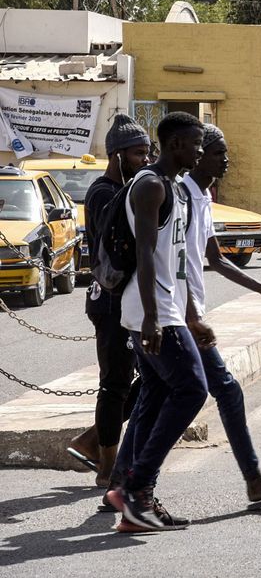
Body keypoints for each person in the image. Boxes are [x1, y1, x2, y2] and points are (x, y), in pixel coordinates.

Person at [179, 125, 261, 509]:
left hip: (183, 312)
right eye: (217, 152)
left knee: (156, 395)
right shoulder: (180, 196)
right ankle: (254, 481)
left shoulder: (202, 195)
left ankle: (120, 479)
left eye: (225, 151)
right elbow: (170, 262)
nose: (225, 159)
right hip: (176, 314)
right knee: (220, 392)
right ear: (198, 154)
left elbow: (215, 258)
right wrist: (190, 315)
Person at [106, 111, 208, 532]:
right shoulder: (149, 185)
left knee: (156, 391)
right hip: (150, 308)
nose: (201, 151)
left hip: (165, 307)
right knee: (191, 389)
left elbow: (177, 262)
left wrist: (191, 315)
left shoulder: (175, 190)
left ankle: (125, 487)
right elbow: (146, 253)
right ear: (176, 144)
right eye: (196, 143)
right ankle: (138, 490)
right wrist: (152, 317)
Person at [65, 115, 151, 490]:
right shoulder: (104, 192)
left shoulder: (129, 188)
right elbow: (120, 241)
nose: (145, 160)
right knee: (114, 383)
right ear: (117, 156)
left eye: (148, 152)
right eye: (138, 153)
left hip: (127, 298)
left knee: (150, 378)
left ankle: (92, 439)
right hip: (109, 301)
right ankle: (106, 465)